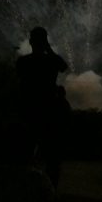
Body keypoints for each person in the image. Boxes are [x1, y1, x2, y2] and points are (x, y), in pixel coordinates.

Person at [16, 28, 70, 187]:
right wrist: (48, 49)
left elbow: (20, 83)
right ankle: (49, 190)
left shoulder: (23, 62)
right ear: (45, 42)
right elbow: (63, 66)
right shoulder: (51, 61)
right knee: (52, 157)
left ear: (31, 42)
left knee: (26, 153)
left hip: (29, 111)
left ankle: (24, 187)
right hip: (48, 113)